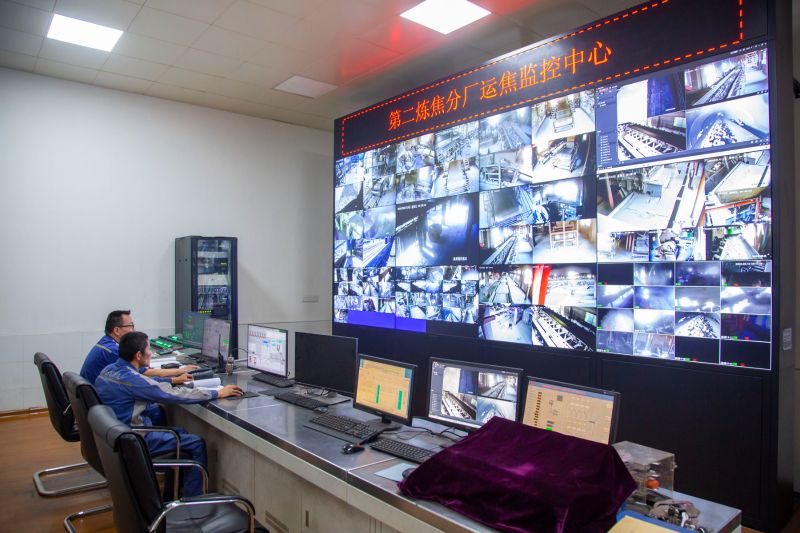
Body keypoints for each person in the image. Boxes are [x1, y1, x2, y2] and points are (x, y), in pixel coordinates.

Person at [95, 331, 243, 496]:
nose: (151, 353)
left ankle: (171, 492)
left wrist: (173, 379)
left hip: (116, 435)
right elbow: (173, 395)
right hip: (135, 439)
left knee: (180, 432)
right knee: (195, 443)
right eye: (148, 349)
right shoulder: (133, 381)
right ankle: (193, 501)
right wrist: (217, 393)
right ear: (138, 355)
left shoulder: (109, 370)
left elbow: (147, 383)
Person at [80, 310, 198, 384]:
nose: (134, 330)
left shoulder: (107, 343)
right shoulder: (113, 350)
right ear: (116, 330)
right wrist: (180, 371)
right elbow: (145, 374)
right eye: (131, 326)